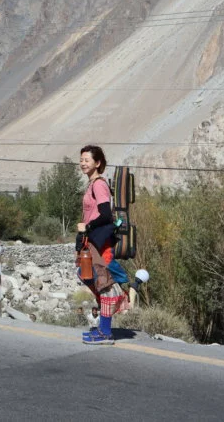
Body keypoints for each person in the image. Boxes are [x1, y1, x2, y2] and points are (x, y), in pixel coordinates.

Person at [76, 144, 125, 344]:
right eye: (81, 160)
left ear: (98, 163)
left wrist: (88, 227)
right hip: (92, 241)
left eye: (87, 160)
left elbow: (105, 214)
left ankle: (105, 332)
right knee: (88, 275)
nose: (82, 163)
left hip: (99, 242)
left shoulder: (99, 185)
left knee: (103, 283)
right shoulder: (92, 184)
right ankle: (103, 328)